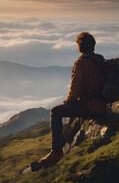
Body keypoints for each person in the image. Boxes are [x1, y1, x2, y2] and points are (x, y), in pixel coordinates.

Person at [39, 32, 107, 164]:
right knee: (69, 110)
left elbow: (75, 91)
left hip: (89, 106)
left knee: (55, 111)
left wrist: (67, 102)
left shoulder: (82, 62)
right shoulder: (99, 59)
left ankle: (56, 152)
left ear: (80, 46)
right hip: (101, 105)